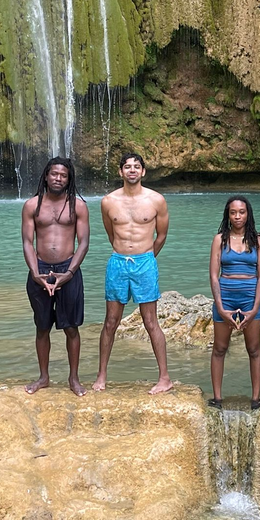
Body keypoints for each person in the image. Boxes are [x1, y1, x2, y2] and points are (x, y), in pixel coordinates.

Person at [94, 152, 172, 395]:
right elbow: (111, 233)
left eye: (136, 167)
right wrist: (124, 253)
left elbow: (161, 236)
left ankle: (164, 378)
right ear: (120, 172)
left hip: (145, 262)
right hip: (118, 263)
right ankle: (101, 376)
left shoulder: (156, 200)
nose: (132, 170)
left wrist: (147, 257)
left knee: (151, 322)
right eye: (127, 167)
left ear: (143, 171)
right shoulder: (108, 201)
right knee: (110, 322)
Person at [21, 158, 90, 396]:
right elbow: (27, 242)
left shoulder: (78, 206)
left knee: (71, 328)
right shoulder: (32, 205)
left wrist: (69, 273)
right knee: (42, 327)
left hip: (68, 270)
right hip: (39, 269)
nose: (58, 178)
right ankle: (44, 377)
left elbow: (84, 243)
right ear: (46, 176)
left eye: (63, 175)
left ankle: (74, 378)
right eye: (54, 174)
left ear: (69, 179)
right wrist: (35, 273)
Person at [208, 196, 260, 410]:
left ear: (248, 214)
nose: (237, 216)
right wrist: (221, 308)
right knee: (219, 348)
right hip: (225, 296)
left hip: (251, 297)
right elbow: (214, 276)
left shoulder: (258, 240)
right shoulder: (220, 240)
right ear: (228, 215)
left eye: (241, 212)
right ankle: (217, 398)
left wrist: (253, 309)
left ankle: (255, 398)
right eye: (233, 212)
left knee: (253, 349)